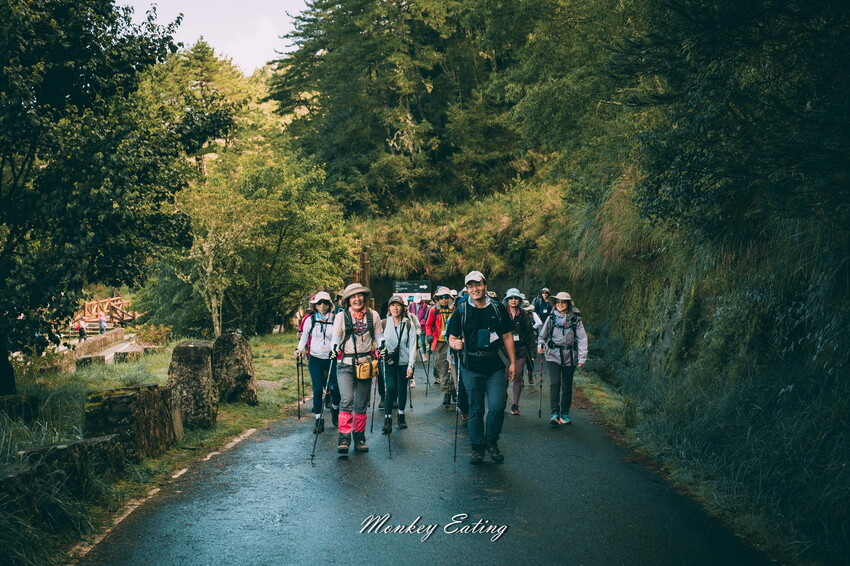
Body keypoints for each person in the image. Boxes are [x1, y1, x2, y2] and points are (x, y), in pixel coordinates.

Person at [447, 271, 516, 464]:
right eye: (470, 286)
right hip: (471, 366)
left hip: (494, 365)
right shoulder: (461, 310)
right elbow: (451, 336)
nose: (474, 289)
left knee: (497, 406)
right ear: (467, 289)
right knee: (476, 409)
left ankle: (491, 442)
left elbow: (507, 336)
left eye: (477, 284)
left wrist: (511, 363)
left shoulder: (498, 308)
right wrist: (455, 344)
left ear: (485, 285)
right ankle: (477, 448)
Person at [330, 283, 384, 454]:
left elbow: (379, 335)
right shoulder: (341, 316)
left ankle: (359, 439)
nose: (357, 299)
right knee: (346, 400)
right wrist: (334, 348)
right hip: (345, 363)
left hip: (365, 364)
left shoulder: (372, 315)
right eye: (353, 296)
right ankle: (344, 439)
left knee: (361, 404)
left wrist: (382, 345)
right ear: (348, 300)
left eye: (360, 295)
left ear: (364, 298)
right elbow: (336, 337)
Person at [537, 292, 588, 425]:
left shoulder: (575, 319)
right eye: (558, 302)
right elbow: (542, 336)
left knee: (567, 386)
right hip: (553, 355)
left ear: (568, 304)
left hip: (570, 356)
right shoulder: (551, 318)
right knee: (555, 384)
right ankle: (555, 413)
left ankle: (564, 413)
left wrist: (582, 358)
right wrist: (540, 345)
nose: (560, 304)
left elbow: (582, 339)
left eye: (563, 302)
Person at [294, 292, 337, 433]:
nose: (322, 306)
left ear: (329, 304)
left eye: (325, 303)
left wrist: (337, 349)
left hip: (332, 357)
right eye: (319, 303)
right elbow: (304, 337)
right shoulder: (310, 320)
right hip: (315, 358)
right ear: (315, 305)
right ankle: (319, 420)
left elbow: (339, 337)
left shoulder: (335, 319)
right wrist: (299, 350)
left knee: (335, 388)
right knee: (317, 389)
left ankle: (335, 410)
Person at [381, 296, 418, 433]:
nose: (395, 308)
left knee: (401, 388)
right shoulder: (384, 323)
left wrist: (411, 365)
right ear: (389, 308)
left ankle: (401, 415)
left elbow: (413, 345)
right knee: (390, 388)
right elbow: (378, 340)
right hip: (389, 361)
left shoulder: (409, 324)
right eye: (392, 305)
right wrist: (380, 349)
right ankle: (388, 418)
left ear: (403, 308)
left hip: (404, 361)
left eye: (398, 305)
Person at [503, 288, 536, 415]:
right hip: (504, 350)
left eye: (515, 298)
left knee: (518, 376)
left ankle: (515, 404)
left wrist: (533, 353)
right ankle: (502, 398)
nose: (513, 300)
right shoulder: (503, 313)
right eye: (511, 298)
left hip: (520, 349)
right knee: (504, 376)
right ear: (507, 300)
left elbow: (530, 334)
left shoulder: (524, 314)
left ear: (519, 300)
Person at [425, 286, 456, 406]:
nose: (444, 300)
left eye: (446, 297)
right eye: (441, 298)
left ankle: (453, 390)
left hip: (453, 342)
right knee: (442, 367)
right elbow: (428, 325)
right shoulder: (434, 310)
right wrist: (429, 336)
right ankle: (446, 392)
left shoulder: (454, 310)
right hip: (440, 343)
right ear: (437, 299)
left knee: (453, 367)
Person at [408, 294, 430, 362]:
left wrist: (419, 323)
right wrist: (412, 322)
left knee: (423, 341)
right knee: (413, 341)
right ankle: (414, 354)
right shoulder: (411, 306)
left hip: (422, 326)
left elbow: (425, 317)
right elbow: (409, 314)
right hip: (412, 326)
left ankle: (424, 354)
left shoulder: (425, 306)